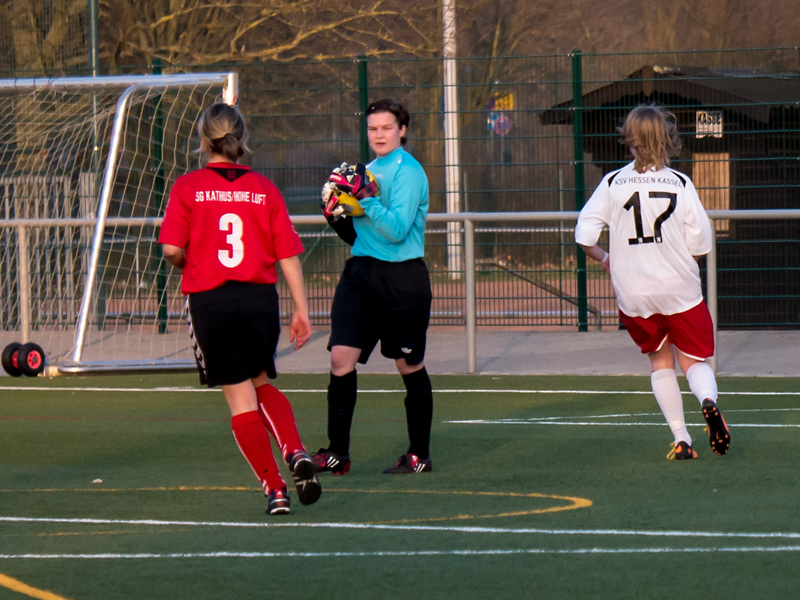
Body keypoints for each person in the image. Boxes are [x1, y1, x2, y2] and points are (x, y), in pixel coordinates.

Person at [158, 102, 322, 514]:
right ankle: (296, 449)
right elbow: (287, 254)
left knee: (240, 400)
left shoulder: (188, 187)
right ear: (242, 140)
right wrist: (301, 309)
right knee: (262, 382)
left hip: (211, 301)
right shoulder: (264, 188)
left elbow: (172, 249)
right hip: (259, 299)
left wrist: (188, 260)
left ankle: (275, 489)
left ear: (203, 140)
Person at [575, 104, 731, 460]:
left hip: (635, 294)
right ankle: (707, 401)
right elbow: (702, 244)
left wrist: (606, 258)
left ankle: (682, 440)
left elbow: (583, 235)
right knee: (694, 362)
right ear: (667, 139)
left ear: (628, 141)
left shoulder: (612, 183)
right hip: (680, 290)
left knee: (660, 361)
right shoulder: (680, 183)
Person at [314, 98, 434, 475]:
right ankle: (338, 453)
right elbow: (358, 234)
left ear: (402, 130)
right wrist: (335, 214)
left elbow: (397, 231)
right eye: (372, 129)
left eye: (386, 128)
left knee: (408, 364)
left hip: (402, 280)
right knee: (339, 360)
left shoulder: (409, 172)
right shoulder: (364, 170)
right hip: (362, 275)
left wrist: (365, 198)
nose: (379, 135)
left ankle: (418, 456)